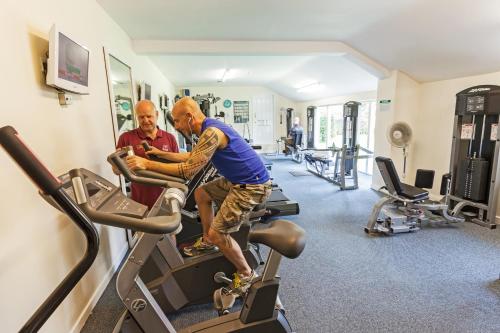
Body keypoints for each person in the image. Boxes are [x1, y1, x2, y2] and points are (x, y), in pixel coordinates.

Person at [125, 97, 272, 293]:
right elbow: (193, 157)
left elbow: (187, 170)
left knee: (219, 233)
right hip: (237, 180)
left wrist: (146, 163)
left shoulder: (211, 132)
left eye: (176, 121)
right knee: (202, 193)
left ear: (188, 117)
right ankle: (208, 240)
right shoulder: (207, 129)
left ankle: (246, 274)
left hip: (252, 186)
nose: (175, 126)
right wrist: (160, 153)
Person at [114, 99, 179, 209]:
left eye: (149, 116)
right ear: (136, 117)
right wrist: (122, 164)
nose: (145, 120)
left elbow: (178, 167)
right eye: (141, 117)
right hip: (140, 200)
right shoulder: (126, 138)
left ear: (157, 115)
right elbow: (116, 171)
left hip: (168, 196)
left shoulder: (170, 138)